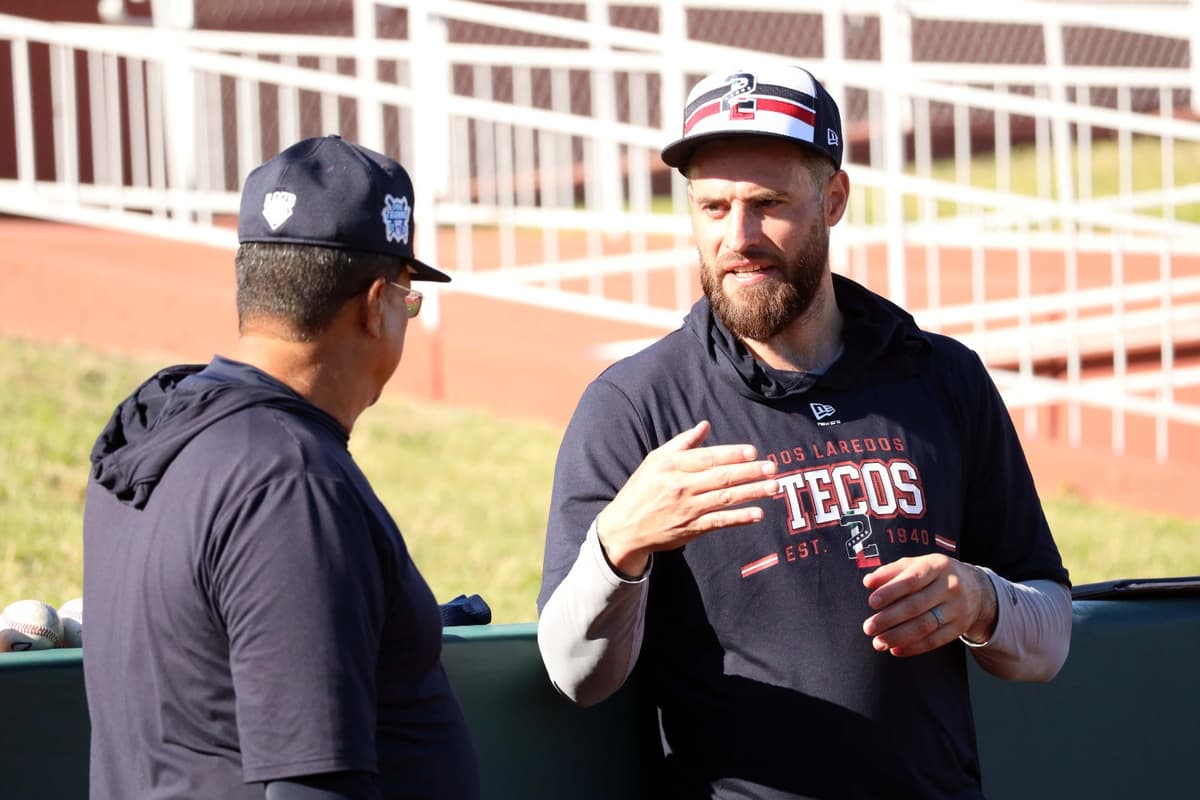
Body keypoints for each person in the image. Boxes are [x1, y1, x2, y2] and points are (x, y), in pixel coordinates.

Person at [536, 64, 1072, 799]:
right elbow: (573, 674)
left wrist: (981, 602)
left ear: (834, 198)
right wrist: (618, 546)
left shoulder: (941, 377)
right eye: (713, 207)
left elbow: (1050, 637)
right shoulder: (635, 405)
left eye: (768, 204)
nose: (739, 237)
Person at [83, 135, 480, 800]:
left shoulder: (162, 430)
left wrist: (376, 618)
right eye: (409, 297)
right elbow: (310, 784)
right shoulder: (291, 487)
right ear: (374, 305)